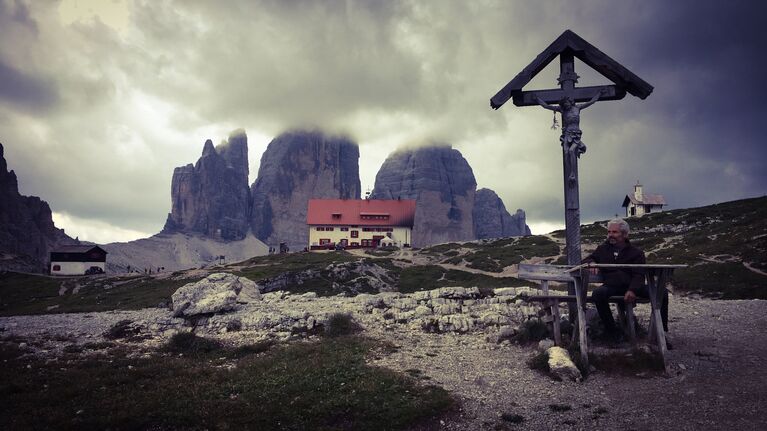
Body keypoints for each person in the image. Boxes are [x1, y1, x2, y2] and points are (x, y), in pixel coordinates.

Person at [582, 218, 671, 346]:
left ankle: (661, 333)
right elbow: (585, 260)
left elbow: (639, 274)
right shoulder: (602, 249)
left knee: (662, 293)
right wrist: (592, 262)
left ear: (624, 234)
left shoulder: (636, 253)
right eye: (609, 232)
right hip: (612, 286)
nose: (610, 235)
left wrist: (632, 290)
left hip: (633, 286)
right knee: (597, 294)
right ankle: (613, 333)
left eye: (614, 232)